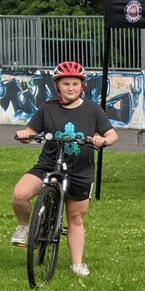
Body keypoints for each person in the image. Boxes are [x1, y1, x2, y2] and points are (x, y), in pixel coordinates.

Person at [11, 61, 117, 278]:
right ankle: (24, 227)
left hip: (80, 170)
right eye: (66, 84)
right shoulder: (48, 108)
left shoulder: (93, 110)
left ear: (82, 87)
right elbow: (30, 132)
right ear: (57, 86)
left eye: (75, 84)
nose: (71, 88)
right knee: (19, 196)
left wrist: (102, 140)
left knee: (76, 218)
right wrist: (24, 135)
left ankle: (77, 264)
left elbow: (112, 135)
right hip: (48, 165)